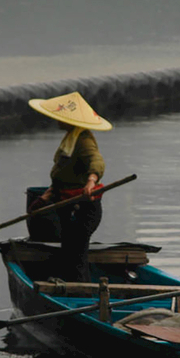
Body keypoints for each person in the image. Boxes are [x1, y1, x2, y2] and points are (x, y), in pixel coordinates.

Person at [27, 91, 111, 282]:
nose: (57, 120)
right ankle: (71, 286)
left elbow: (96, 161)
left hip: (81, 208)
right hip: (66, 204)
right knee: (68, 250)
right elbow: (64, 173)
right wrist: (48, 194)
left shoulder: (84, 140)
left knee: (76, 253)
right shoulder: (71, 139)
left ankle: (82, 295)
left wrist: (91, 181)